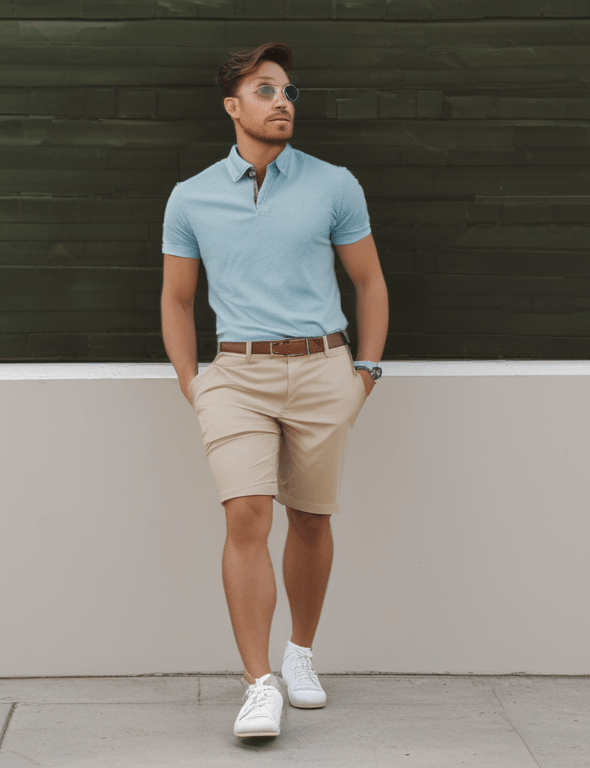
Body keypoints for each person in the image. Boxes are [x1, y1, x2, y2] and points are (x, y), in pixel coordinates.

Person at [159, 41, 389, 739]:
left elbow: (370, 283)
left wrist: (365, 374)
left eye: (288, 91)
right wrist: (193, 383)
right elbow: (176, 300)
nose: (282, 101)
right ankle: (259, 682)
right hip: (236, 375)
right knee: (247, 515)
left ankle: (300, 655)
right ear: (233, 106)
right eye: (266, 90)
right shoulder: (191, 197)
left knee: (312, 518)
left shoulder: (334, 184)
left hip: (325, 370)